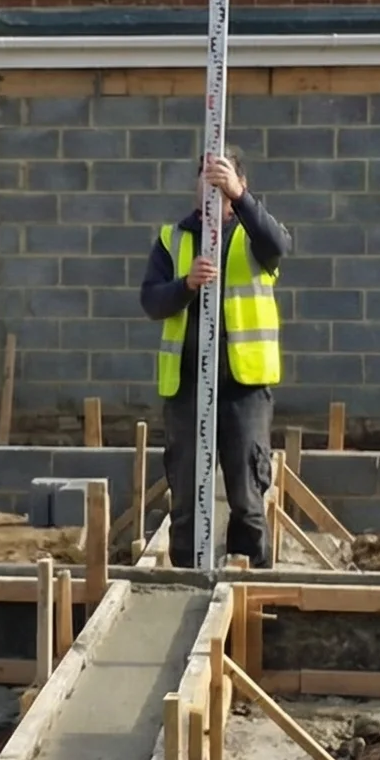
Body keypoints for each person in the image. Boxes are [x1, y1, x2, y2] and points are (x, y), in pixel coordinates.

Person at [139, 151, 291, 568]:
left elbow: (279, 246)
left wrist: (240, 196)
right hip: (187, 385)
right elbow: (151, 301)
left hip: (244, 385)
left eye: (220, 180)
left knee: (247, 495)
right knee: (186, 493)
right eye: (205, 180)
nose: (211, 188)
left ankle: (248, 578)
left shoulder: (252, 235)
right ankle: (186, 574)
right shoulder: (173, 238)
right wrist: (186, 285)